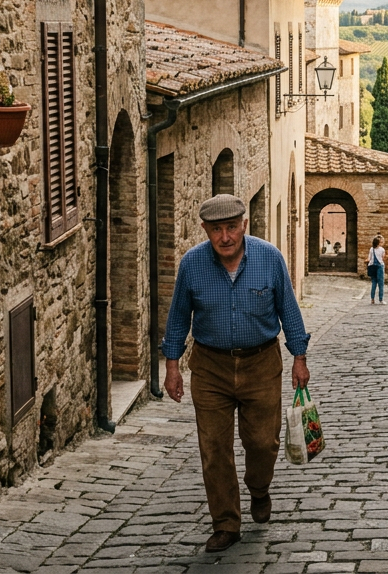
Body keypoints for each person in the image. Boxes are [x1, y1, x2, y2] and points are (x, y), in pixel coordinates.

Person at [162, 194, 311, 553]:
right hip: (210, 367)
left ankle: (259, 489)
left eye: (231, 227)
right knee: (214, 449)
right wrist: (171, 366)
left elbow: (288, 310)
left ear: (244, 225)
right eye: (217, 230)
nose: (225, 236)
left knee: (263, 442)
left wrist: (299, 357)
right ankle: (226, 523)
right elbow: (179, 316)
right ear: (205, 230)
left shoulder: (269, 258)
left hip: (261, 364)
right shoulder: (192, 265)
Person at [368, 235, 387, 304]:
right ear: (379, 243)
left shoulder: (371, 249)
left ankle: (372, 299)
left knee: (374, 283)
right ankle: (381, 299)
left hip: (372, 266)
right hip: (379, 266)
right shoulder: (382, 249)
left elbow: (369, 258)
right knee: (381, 283)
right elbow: (383, 258)